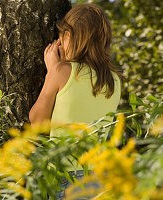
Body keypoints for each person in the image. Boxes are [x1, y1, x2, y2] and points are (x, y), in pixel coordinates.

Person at [29, 3, 121, 199]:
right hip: (99, 175)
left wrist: (51, 72)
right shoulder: (115, 80)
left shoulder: (62, 71)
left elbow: (37, 121)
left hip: (66, 175)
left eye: (61, 36)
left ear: (68, 36)